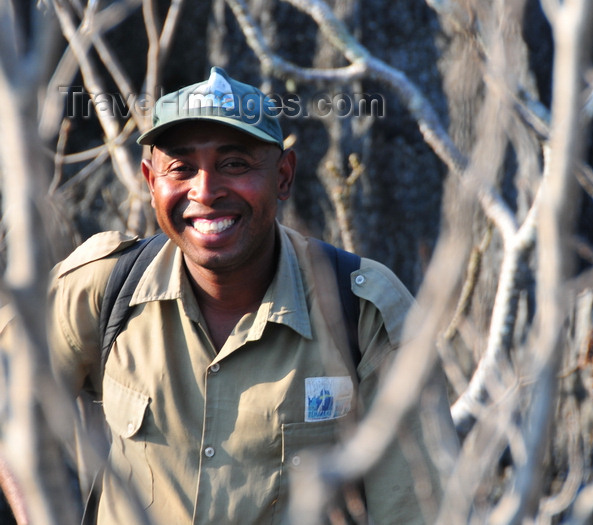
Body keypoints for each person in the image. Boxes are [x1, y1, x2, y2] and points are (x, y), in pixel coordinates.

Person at [48, 67, 458, 525]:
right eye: (181, 168)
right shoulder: (105, 287)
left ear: (283, 176)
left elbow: (419, 510)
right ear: (150, 181)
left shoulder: (362, 311)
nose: (205, 191)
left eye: (235, 164)